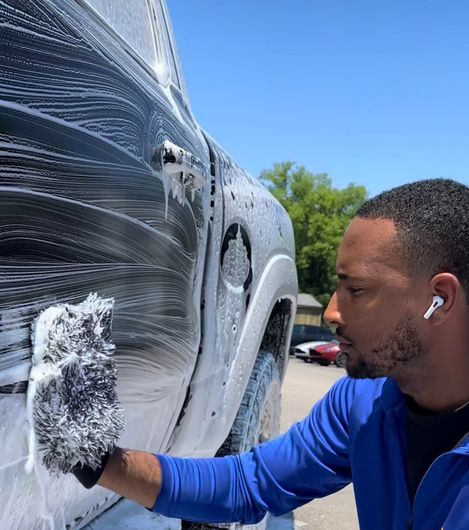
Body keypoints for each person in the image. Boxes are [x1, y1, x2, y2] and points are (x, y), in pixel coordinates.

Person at [73, 179, 469, 530]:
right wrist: (95, 460)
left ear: (440, 299)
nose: (332, 312)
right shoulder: (363, 406)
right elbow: (248, 485)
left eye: (357, 290)